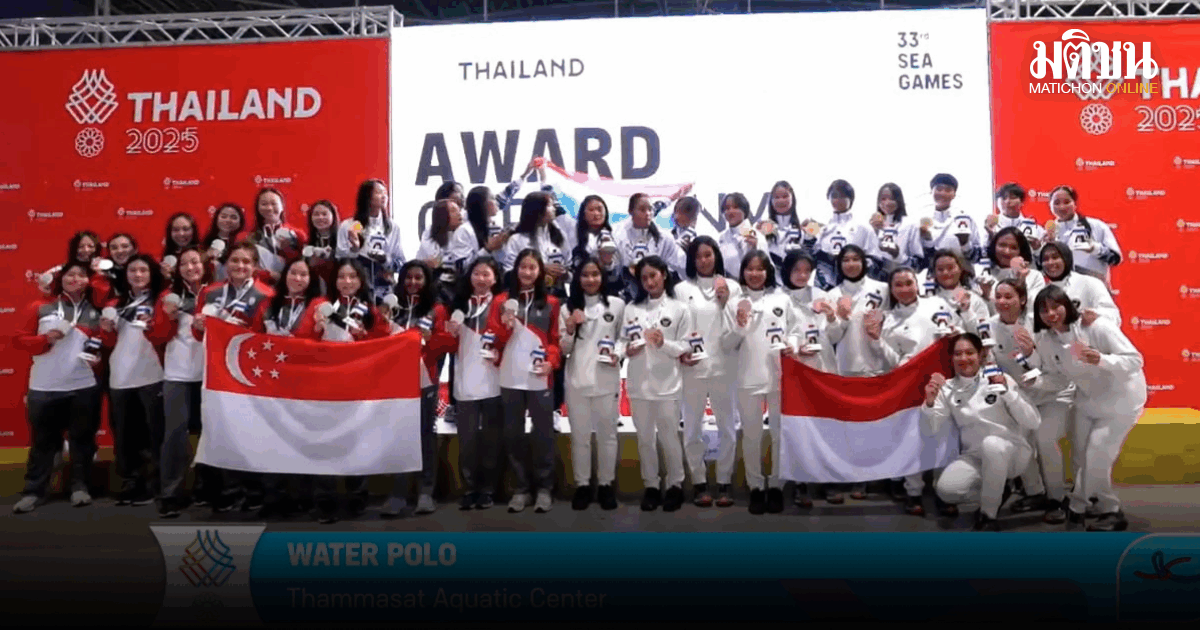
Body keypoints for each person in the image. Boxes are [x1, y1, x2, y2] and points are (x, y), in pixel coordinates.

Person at [1031, 285, 1146, 532]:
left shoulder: (1095, 326)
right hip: (1088, 401)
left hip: (1122, 400)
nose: (1051, 314)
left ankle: (1077, 508)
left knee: (1096, 454)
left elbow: (1135, 360)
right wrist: (1037, 382)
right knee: (1087, 459)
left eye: (1055, 306)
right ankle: (1110, 510)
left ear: (1067, 305)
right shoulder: (1047, 341)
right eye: (1044, 310)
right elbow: (1059, 379)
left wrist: (1103, 360)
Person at [867, 266, 967, 516]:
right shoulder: (889, 320)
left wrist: (956, 334)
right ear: (891, 289)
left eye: (908, 283)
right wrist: (876, 339)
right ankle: (913, 491)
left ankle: (945, 492)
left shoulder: (937, 304)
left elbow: (960, 335)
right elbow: (892, 360)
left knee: (943, 435)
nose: (904, 289)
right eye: (898, 285)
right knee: (912, 438)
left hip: (941, 380)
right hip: (908, 384)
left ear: (917, 284)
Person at [12, 262, 106, 514]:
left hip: (83, 386)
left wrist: (98, 359)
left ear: (88, 281)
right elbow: (19, 340)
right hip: (44, 386)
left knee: (82, 442)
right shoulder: (40, 306)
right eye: (69, 275)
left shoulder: (94, 312)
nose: (75, 279)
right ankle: (33, 492)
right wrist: (45, 339)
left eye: (81, 275)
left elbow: (100, 344)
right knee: (42, 443)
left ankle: (80, 487)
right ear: (60, 279)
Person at [922, 333, 1040, 531]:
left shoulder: (999, 378)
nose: (964, 358)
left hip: (1012, 451)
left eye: (970, 353)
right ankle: (998, 490)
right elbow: (930, 430)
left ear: (980, 355)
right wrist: (929, 402)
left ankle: (988, 516)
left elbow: (1033, 421)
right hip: (975, 456)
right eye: (958, 354)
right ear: (951, 358)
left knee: (992, 444)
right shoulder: (947, 389)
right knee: (946, 490)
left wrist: (1007, 392)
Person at [191, 241, 275, 513]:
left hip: (250, 373)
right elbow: (198, 335)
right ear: (225, 264)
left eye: (246, 261)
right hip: (217, 373)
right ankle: (228, 490)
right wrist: (198, 326)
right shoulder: (211, 292)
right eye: (235, 260)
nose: (240, 266)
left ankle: (255, 491)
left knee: (251, 431)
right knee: (221, 429)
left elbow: (269, 336)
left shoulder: (266, 294)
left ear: (256, 266)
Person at [310, 259, 391, 522]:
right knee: (325, 441)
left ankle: (357, 496)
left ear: (360, 280)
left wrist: (364, 336)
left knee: (356, 439)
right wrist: (316, 328)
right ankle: (325, 499)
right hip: (325, 384)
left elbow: (382, 345)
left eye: (352, 277)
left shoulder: (371, 310)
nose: (347, 282)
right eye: (342, 277)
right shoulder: (320, 306)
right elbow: (303, 342)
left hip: (358, 384)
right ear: (334, 281)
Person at [485, 249, 563, 514]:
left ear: (540, 272)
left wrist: (551, 362)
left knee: (543, 434)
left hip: (540, 377)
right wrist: (504, 327)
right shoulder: (500, 301)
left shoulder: (551, 303)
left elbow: (555, 340)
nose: (527, 272)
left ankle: (544, 488)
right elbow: (493, 339)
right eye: (523, 267)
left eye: (532, 268)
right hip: (510, 376)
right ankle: (521, 488)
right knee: (513, 434)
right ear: (515, 269)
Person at [987, 279, 1072, 524]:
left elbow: (1054, 371)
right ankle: (1035, 492)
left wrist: (1030, 354)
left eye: (1008, 297)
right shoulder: (988, 326)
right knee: (1019, 441)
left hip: (1054, 393)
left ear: (1022, 300)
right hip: (1021, 396)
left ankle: (1057, 499)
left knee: (1045, 439)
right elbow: (988, 361)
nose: (1002, 302)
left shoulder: (1039, 325)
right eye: (998, 296)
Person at [723, 250, 798, 514]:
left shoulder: (782, 299)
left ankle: (776, 486)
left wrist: (792, 344)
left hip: (779, 377)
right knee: (752, 436)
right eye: (750, 269)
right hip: (747, 377)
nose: (754, 274)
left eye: (760, 269)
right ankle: (756, 487)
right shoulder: (733, 304)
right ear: (742, 272)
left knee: (779, 434)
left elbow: (795, 331)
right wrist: (740, 326)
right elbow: (726, 344)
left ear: (768, 272)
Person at [255, 258, 328, 518]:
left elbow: (327, 342)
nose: (297, 278)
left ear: (311, 280)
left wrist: (321, 329)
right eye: (293, 273)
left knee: (307, 438)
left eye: (303, 274)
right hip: (274, 381)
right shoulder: (268, 304)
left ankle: (308, 496)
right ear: (285, 275)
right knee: (274, 437)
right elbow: (254, 338)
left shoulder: (319, 305)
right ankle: (274, 496)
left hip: (306, 381)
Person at [381, 261, 454, 518]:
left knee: (425, 434)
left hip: (425, 379)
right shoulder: (392, 307)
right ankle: (398, 493)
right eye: (408, 277)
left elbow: (449, 343)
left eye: (418, 278)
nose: (413, 282)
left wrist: (432, 340)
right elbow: (378, 338)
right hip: (395, 380)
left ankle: (425, 491)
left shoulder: (437, 309)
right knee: (398, 435)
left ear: (427, 281)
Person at [621, 255, 692, 512]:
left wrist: (664, 344)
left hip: (668, 385)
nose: (649, 282)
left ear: (664, 274)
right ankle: (651, 485)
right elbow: (621, 341)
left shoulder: (679, 309)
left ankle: (675, 485)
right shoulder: (631, 309)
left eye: (653, 275)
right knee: (644, 440)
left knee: (670, 438)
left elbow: (685, 345)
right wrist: (626, 349)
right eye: (644, 278)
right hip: (639, 385)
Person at [674, 236, 741, 508]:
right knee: (692, 428)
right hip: (693, 368)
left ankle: (724, 482)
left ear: (716, 256)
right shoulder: (680, 289)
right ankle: (699, 482)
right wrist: (680, 352)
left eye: (708, 255)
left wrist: (726, 303)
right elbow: (676, 327)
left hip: (725, 367)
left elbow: (740, 326)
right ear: (691, 259)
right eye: (698, 256)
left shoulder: (732, 287)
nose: (704, 260)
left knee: (728, 427)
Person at [822, 244, 889, 503]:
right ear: (839, 264)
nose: (851, 264)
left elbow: (890, 323)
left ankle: (867, 477)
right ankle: (844, 476)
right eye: (846, 260)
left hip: (877, 364)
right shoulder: (832, 294)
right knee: (846, 428)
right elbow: (831, 337)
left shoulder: (881, 289)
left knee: (871, 426)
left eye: (855, 259)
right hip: (845, 367)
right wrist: (839, 317)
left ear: (864, 261)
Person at [103, 253, 169, 508]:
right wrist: (106, 330)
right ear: (126, 275)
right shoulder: (115, 303)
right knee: (125, 436)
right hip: (120, 377)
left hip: (152, 375)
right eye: (132, 270)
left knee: (154, 434)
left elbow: (164, 335)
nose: (138, 275)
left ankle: (155, 485)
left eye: (143, 270)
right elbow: (108, 342)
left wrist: (153, 325)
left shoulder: (161, 300)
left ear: (151, 274)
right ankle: (131, 482)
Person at [559, 257, 625, 511]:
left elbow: (623, 338)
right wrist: (570, 329)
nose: (590, 279)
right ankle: (583, 485)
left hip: (607, 381)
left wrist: (618, 353)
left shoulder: (617, 305)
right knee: (580, 438)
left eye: (595, 274)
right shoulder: (567, 308)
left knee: (608, 436)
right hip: (577, 381)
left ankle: (606, 485)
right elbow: (564, 349)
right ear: (578, 278)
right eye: (585, 275)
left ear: (602, 276)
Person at [153, 247, 211, 518]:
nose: (190, 267)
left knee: (212, 435)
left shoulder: (216, 293)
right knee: (175, 435)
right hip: (178, 374)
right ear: (177, 269)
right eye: (185, 263)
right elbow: (158, 336)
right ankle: (170, 493)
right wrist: (168, 318)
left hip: (212, 376)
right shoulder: (168, 296)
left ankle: (208, 490)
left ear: (204, 265)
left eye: (195, 262)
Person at [445, 256, 506, 510]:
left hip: (494, 381)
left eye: (486, 274)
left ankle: (488, 489)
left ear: (495, 278)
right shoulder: (459, 306)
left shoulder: (503, 305)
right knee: (467, 441)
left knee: (492, 441)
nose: (481, 278)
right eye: (477, 273)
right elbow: (448, 345)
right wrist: (450, 333)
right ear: (469, 276)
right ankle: (469, 488)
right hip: (465, 382)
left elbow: (510, 340)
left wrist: (499, 352)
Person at [779, 250, 837, 508]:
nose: (802, 276)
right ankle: (800, 482)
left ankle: (827, 480)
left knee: (826, 427)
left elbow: (835, 336)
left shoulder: (822, 296)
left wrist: (833, 318)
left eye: (807, 271)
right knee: (800, 428)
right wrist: (795, 348)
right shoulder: (780, 298)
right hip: (796, 371)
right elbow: (776, 334)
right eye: (797, 270)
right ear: (787, 271)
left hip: (823, 370)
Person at [336, 179, 407, 303]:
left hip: (384, 292)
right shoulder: (349, 225)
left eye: (385, 193)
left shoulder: (392, 227)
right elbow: (339, 261)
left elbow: (401, 263)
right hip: (356, 292)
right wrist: (355, 250)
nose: (384, 196)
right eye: (378, 192)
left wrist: (386, 261)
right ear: (367, 197)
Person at [811, 179, 883, 289]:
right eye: (834, 196)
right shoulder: (823, 230)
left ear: (851, 199)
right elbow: (812, 259)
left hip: (854, 289)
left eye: (842, 196)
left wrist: (854, 269)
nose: (837, 200)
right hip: (823, 289)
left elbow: (876, 260)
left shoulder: (863, 228)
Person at [1045, 185, 1122, 285]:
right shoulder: (1047, 232)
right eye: (1056, 203)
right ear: (1050, 205)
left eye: (1067, 202)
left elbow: (1115, 258)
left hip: (1094, 286)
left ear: (1075, 203)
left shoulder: (1095, 226)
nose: (1062, 207)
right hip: (1061, 287)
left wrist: (1095, 249)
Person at [1038, 243, 1120, 326]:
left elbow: (1114, 316)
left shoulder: (1089, 283)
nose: (1050, 262)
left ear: (1066, 258)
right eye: (1045, 259)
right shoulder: (1042, 293)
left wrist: (1096, 316)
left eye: (1055, 257)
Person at [979, 227, 1045, 320]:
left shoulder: (1035, 276)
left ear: (1021, 251)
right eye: (1002, 245)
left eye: (1013, 247)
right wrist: (985, 296)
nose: (1007, 251)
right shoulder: (983, 276)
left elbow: (1033, 309)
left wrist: (1020, 279)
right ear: (994, 246)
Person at [918, 173, 984, 263]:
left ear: (954, 194)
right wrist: (927, 241)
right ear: (931, 191)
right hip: (933, 270)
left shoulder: (965, 218)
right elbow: (918, 257)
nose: (943, 193)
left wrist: (965, 244)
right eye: (939, 189)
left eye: (948, 190)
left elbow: (977, 257)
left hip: (962, 269)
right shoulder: (920, 219)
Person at [247, 187, 307, 283]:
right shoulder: (250, 237)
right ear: (258, 207)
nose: (269, 208)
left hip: (292, 285)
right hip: (259, 286)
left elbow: (305, 265)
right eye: (264, 204)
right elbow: (245, 267)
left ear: (282, 206)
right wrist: (269, 275)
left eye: (274, 203)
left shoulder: (298, 234)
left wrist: (288, 250)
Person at [873, 183, 924, 275]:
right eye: (883, 199)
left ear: (899, 200)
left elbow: (917, 264)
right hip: (876, 279)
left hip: (903, 277)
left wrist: (897, 255)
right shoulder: (873, 225)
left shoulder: (910, 224)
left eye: (891, 199)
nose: (887, 203)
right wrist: (874, 231)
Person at [991, 183, 1046, 251]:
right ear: (997, 202)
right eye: (1004, 198)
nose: (1008, 201)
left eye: (1013, 198)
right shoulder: (991, 227)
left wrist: (1037, 249)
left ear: (1022, 202)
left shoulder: (1035, 228)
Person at [201, 203, 246, 283]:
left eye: (233, 217)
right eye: (223, 216)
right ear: (216, 219)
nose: (228, 220)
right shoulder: (205, 243)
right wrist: (207, 256)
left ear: (240, 221)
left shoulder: (244, 243)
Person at [303, 199, 340, 296]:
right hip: (315, 293)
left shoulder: (342, 240)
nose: (320, 217)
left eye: (324, 214)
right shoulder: (308, 243)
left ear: (333, 216)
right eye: (316, 214)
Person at [161, 212, 200, 280]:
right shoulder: (167, 258)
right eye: (176, 230)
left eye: (186, 229)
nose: (181, 234)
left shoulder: (203, 256)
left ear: (193, 230)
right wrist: (167, 278)